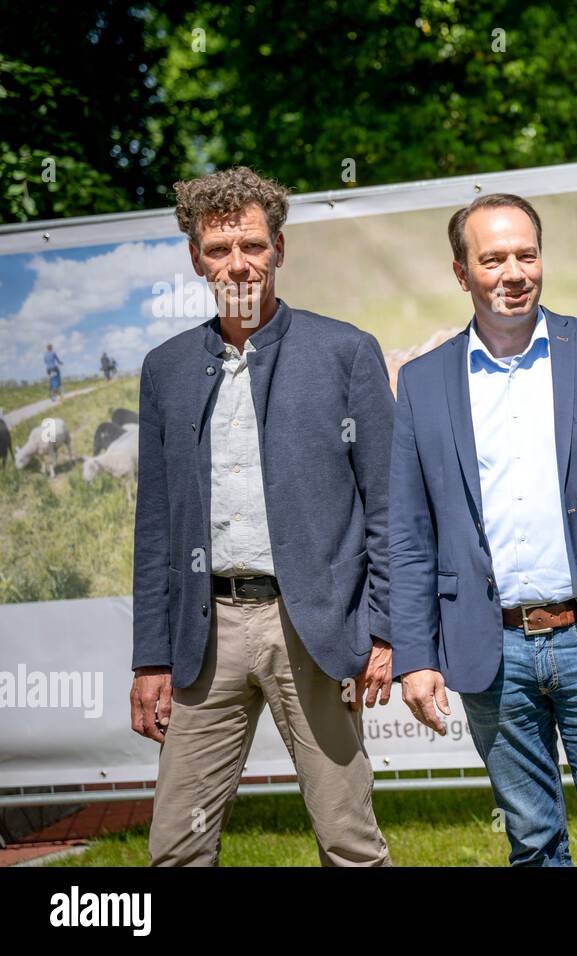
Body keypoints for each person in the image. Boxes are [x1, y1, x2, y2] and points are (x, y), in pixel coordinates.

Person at [390, 193, 577, 866]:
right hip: (490, 653)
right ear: (462, 273)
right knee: (533, 846)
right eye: (493, 259)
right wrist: (416, 655)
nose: (513, 273)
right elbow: (407, 532)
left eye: (526, 254)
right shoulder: (425, 383)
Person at [130, 166, 395, 866]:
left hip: (313, 627)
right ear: (195, 258)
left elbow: (388, 506)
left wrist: (385, 629)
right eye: (217, 250)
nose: (236, 263)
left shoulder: (345, 352)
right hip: (203, 635)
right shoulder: (166, 368)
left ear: (280, 247)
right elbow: (155, 525)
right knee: (175, 851)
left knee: (349, 840)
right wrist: (150, 656)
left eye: (251, 244)